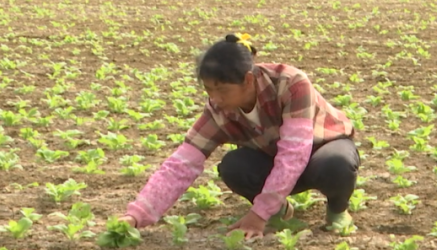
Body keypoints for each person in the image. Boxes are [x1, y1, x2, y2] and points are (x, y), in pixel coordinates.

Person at [118, 34, 359, 239]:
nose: (215, 98)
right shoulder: (218, 111)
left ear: (248, 80)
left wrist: (258, 214)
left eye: (222, 90)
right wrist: (137, 216)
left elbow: (294, 154)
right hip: (274, 161)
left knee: (336, 163)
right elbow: (181, 164)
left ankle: (337, 210)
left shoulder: (290, 83)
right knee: (234, 166)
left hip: (321, 151)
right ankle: (279, 210)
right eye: (209, 90)